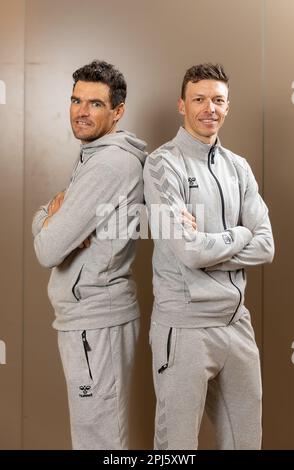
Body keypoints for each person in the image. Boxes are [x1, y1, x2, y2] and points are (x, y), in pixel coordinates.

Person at [143, 63, 274, 450]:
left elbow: (266, 246)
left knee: (246, 441)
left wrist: (210, 243)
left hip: (236, 323)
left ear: (228, 106)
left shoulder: (239, 167)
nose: (209, 108)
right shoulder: (162, 164)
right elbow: (188, 251)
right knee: (177, 447)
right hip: (184, 328)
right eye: (199, 99)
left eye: (218, 100)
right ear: (182, 105)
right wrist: (240, 234)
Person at [32, 60, 147, 450]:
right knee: (95, 437)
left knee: (98, 441)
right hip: (87, 318)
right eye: (76, 100)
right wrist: (54, 216)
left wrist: (51, 221)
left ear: (117, 112)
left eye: (95, 104)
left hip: (96, 320)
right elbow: (52, 231)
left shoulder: (110, 164)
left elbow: (48, 249)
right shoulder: (93, 154)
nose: (81, 112)